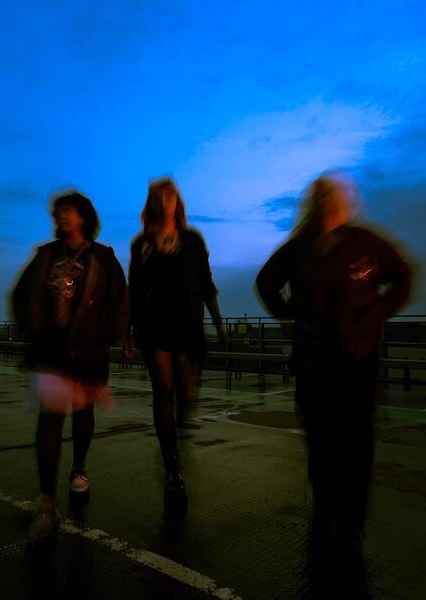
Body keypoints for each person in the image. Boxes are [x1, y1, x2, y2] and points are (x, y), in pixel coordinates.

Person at [255, 172, 412, 548]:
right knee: (319, 431)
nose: (327, 202)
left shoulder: (364, 243)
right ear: (312, 204)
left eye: (333, 196)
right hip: (313, 356)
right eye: (320, 196)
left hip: (357, 355)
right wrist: (290, 314)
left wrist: (376, 313)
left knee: (356, 435)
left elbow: (402, 276)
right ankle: (324, 499)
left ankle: (351, 517)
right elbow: (265, 283)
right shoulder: (298, 248)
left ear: (345, 202)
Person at [12, 190, 129, 533]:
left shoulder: (102, 256)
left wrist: (109, 334)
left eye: (69, 210)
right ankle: (46, 497)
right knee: (49, 418)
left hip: (88, 349)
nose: (62, 216)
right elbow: (22, 293)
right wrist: (30, 327)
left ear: (84, 217)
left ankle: (79, 467)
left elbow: (121, 299)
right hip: (51, 349)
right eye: (59, 211)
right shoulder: (46, 255)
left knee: (82, 412)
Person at [126, 177, 226, 506]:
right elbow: (134, 289)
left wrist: (218, 321)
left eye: (169, 195)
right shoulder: (142, 244)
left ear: (177, 202)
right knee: (163, 392)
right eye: (159, 196)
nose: (165, 200)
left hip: (188, 327)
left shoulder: (192, 240)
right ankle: (172, 466)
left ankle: (175, 436)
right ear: (153, 203)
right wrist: (127, 331)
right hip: (154, 326)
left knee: (186, 393)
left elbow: (206, 282)